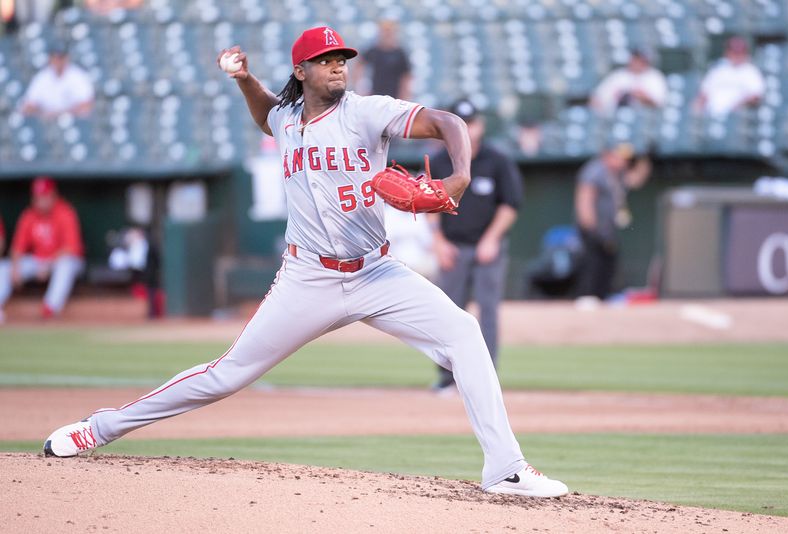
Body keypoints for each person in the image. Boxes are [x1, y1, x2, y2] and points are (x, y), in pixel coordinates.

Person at [42, 26, 568, 499]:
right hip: (307, 277)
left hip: (377, 272)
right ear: (302, 70)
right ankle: (101, 427)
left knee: (464, 333)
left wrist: (459, 176)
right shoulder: (286, 119)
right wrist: (245, 78)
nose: (338, 64)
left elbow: (448, 121)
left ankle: (504, 469)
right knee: (226, 376)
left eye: (342, 57)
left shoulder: (367, 111)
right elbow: (266, 113)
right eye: (326, 58)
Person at [428, 99, 524, 391]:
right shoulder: (440, 160)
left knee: (488, 311)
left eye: (470, 123)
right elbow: (429, 203)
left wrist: (491, 238)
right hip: (453, 248)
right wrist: (439, 241)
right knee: (447, 312)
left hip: (487, 249)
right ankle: (447, 378)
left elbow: (510, 204)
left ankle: (484, 379)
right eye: (460, 123)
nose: (467, 130)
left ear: (480, 126)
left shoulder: (497, 161)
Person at [573, 142, 651, 299]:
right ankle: (587, 297)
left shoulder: (618, 173)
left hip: (608, 229)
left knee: (608, 265)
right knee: (592, 264)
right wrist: (589, 225)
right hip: (593, 228)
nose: (624, 162)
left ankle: (602, 297)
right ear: (608, 155)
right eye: (619, 157)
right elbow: (585, 198)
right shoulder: (595, 170)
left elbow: (636, 180)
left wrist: (646, 160)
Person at [0, 177, 85, 319]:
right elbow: (17, 247)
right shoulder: (29, 215)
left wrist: (49, 263)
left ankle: (50, 308)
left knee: (66, 264)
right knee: (3, 267)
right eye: (38, 197)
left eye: (44, 196)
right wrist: (15, 266)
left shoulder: (65, 212)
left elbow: (72, 248)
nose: (41, 201)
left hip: (62, 260)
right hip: (38, 260)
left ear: (53, 195)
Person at [20, 40, 94, 119]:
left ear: (67, 57)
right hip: (46, 122)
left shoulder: (78, 76)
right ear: (50, 58)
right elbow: (28, 105)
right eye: (56, 57)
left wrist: (60, 113)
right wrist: (43, 113)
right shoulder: (42, 78)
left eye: (61, 57)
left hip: (72, 120)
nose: (59, 61)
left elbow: (87, 104)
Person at [694, 36, 765, 118]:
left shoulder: (751, 71)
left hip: (737, 118)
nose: (737, 55)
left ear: (745, 53)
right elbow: (704, 93)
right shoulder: (718, 68)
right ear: (727, 52)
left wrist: (738, 105)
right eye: (734, 51)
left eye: (740, 52)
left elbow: (756, 96)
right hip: (712, 115)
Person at [591, 48, 668, 116]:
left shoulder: (655, 77)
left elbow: (659, 103)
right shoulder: (619, 75)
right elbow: (596, 98)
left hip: (643, 117)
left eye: (639, 60)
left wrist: (641, 96)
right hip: (615, 116)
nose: (636, 62)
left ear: (645, 61)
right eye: (635, 59)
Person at [353, 20, 412, 100]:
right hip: (374, 94)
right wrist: (361, 86)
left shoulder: (400, 53)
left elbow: (406, 77)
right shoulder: (373, 51)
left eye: (389, 31)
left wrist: (404, 96)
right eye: (384, 31)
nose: (387, 34)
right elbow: (359, 66)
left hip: (394, 96)